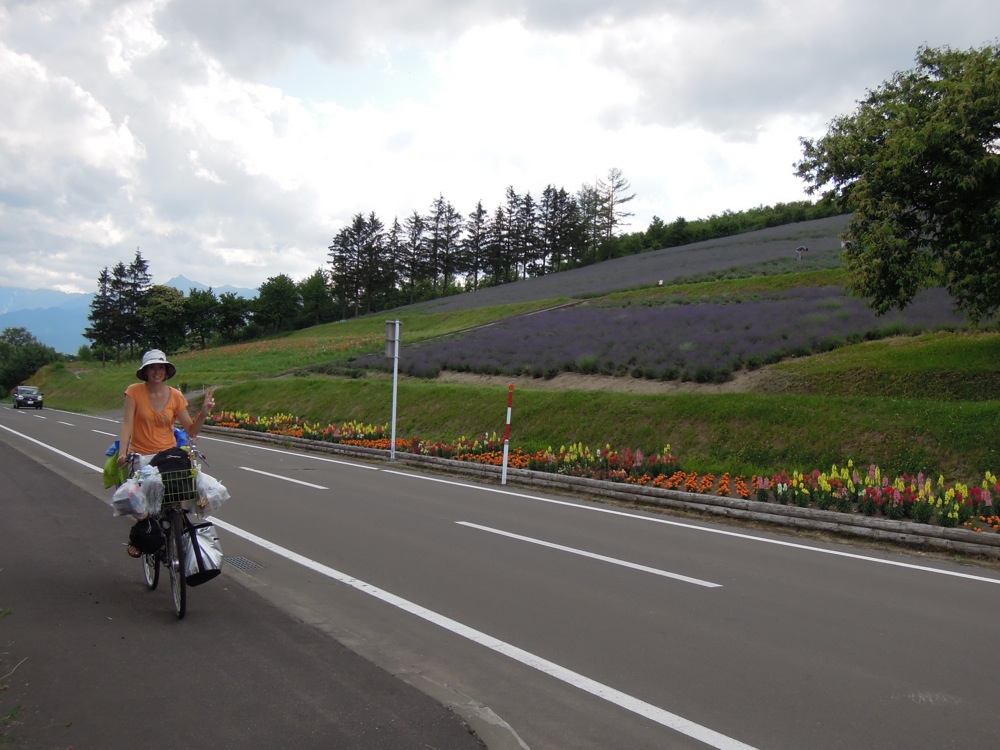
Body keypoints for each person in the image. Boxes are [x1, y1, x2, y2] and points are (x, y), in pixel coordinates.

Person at [118, 349, 215, 556]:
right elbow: (127, 424)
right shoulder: (134, 392)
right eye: (152, 367)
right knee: (141, 505)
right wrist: (123, 452)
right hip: (142, 456)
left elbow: (191, 430)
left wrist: (204, 412)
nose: (156, 371)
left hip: (168, 456)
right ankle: (143, 535)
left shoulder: (176, 396)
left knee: (180, 498)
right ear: (145, 371)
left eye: (160, 367)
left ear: (166, 371)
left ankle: (177, 539)